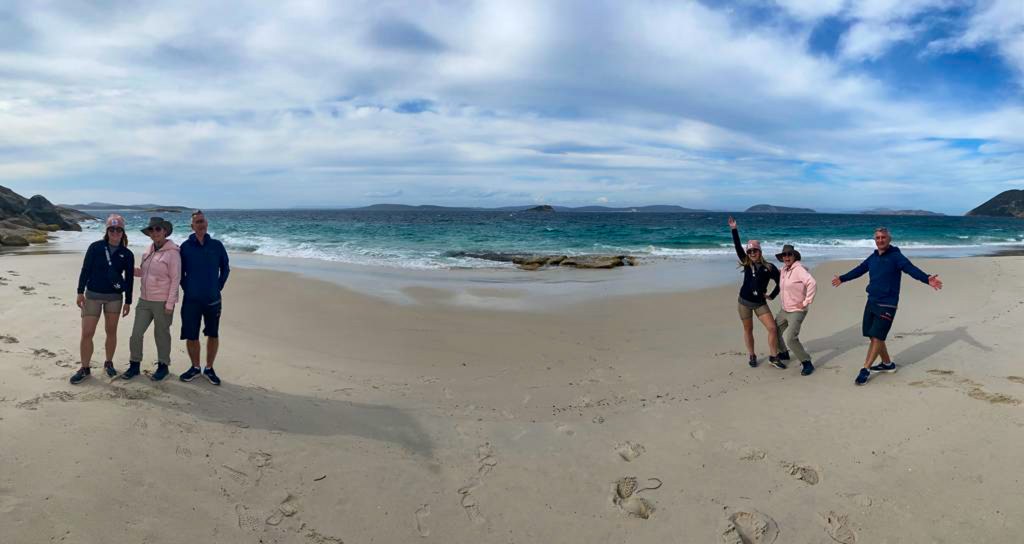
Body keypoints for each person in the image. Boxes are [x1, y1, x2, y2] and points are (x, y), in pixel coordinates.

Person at [832, 227, 942, 385]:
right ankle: (887, 364)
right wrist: (843, 278)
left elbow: (911, 269)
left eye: (883, 237)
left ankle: (865, 369)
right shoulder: (873, 257)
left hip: (888, 303)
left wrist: (927, 279)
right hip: (872, 300)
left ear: (889, 239)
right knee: (872, 335)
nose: (880, 240)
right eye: (877, 238)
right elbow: (860, 270)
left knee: (877, 337)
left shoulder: (896, 257)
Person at [71, 214, 134, 384]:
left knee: (111, 331)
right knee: (87, 333)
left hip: (114, 298)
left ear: (123, 232)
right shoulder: (95, 247)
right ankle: (85, 368)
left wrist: (128, 301)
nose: (115, 232)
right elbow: (85, 270)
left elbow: (129, 279)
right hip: (92, 295)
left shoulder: (127, 254)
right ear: (107, 231)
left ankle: (108, 362)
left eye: (118, 229)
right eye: (112, 229)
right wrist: (79, 291)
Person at [124, 217, 180, 381]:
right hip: (144, 300)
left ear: (164, 231)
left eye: (157, 229)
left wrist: (170, 303)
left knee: (161, 334)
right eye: (151, 230)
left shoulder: (173, 253)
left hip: (163, 302)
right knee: (136, 334)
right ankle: (135, 365)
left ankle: (163, 366)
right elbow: (145, 272)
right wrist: (134, 271)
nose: (154, 232)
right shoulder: (148, 251)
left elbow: (175, 279)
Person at [178, 210, 230, 386]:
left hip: (213, 299)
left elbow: (225, 268)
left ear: (207, 223)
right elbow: (179, 272)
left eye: (203, 221)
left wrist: (218, 286)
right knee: (191, 335)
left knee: (213, 334)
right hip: (191, 299)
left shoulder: (217, 245)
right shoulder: (185, 247)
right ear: (192, 226)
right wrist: (188, 287)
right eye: (197, 222)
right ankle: (195, 367)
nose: (201, 224)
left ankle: (209, 368)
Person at [728, 216, 781, 367]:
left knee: (772, 328)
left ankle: (773, 356)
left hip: (760, 304)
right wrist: (734, 229)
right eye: (750, 251)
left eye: (754, 250)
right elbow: (738, 247)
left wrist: (772, 295)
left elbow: (780, 283)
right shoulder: (746, 263)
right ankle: (752, 355)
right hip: (744, 303)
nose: (752, 253)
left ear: (760, 251)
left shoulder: (769, 267)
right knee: (748, 330)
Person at [773, 244, 817, 376]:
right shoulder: (784, 270)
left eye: (789, 254)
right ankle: (784, 353)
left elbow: (812, 283)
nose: (786, 257)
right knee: (773, 331)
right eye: (784, 255)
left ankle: (807, 362)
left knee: (791, 339)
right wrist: (770, 295)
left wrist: (806, 302)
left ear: (794, 256)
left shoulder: (799, 270)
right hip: (784, 310)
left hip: (797, 311)